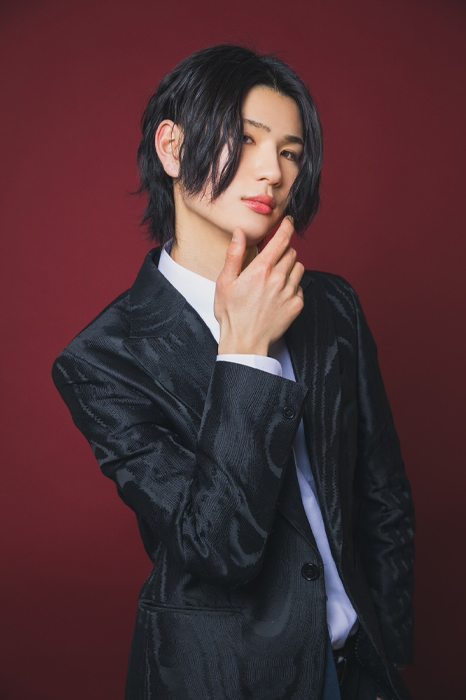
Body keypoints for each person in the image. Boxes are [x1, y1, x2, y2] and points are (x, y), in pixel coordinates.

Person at [52, 44, 415, 700]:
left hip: (359, 664)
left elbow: (381, 492)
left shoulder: (331, 305)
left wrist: (389, 646)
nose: (272, 171)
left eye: (290, 152)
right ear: (172, 148)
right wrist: (246, 351)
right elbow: (218, 548)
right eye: (245, 139)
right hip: (221, 677)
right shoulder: (103, 360)